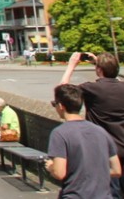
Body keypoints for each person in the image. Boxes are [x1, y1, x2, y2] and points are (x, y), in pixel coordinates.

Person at [60, 51, 124, 196]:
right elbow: (114, 79)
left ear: (98, 70)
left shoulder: (92, 89)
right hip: (122, 144)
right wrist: (101, 64)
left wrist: (71, 66)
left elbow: (63, 92)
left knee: (110, 191)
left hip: (104, 149)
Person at [46, 83, 121, 199]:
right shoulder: (101, 131)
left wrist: (51, 167)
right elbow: (117, 170)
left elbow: (59, 173)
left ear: (61, 106)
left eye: (54, 104)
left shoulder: (60, 133)